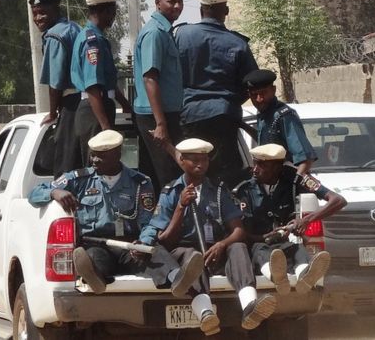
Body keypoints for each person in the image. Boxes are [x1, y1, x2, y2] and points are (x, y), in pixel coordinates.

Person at [29, 130, 203, 297]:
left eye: (101, 156)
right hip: (96, 243)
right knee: (93, 258)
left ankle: (177, 280)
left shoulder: (140, 182)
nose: (94, 160)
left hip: (130, 245)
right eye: (93, 155)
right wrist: (55, 193)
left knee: (155, 252)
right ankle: (94, 278)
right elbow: (34, 193)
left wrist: (144, 242)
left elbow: (150, 221)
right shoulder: (79, 179)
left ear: (117, 154)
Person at [140, 138, 276, 336]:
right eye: (194, 160)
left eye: (204, 160)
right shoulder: (170, 192)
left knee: (238, 247)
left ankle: (249, 307)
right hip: (185, 252)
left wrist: (222, 244)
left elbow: (238, 231)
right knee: (191, 255)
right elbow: (165, 240)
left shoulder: (219, 191)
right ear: (182, 161)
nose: (200, 164)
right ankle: (205, 313)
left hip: (214, 250)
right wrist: (180, 206)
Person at [233, 144, 347, 295]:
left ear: (277, 167)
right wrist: (265, 237)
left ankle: (305, 276)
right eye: (255, 163)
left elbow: (338, 200)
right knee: (261, 251)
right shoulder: (245, 189)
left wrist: (306, 220)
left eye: (262, 165)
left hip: (285, 241)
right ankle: (278, 278)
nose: (255, 169)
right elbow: (241, 232)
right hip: (258, 244)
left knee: (297, 248)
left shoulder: (295, 178)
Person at [174, 0, 259, 187]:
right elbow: (253, 82)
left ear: (201, 10)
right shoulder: (238, 43)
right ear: (226, 11)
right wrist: (229, 101)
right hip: (224, 116)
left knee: (192, 171)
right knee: (225, 176)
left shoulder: (182, 34)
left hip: (190, 115)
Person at [70, 0, 132, 166]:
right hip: (94, 110)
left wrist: (126, 105)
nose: (114, 17)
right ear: (104, 11)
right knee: (98, 166)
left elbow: (108, 82)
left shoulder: (95, 37)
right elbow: (93, 87)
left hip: (99, 106)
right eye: (113, 12)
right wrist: (105, 126)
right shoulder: (92, 42)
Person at [133, 0, 185, 191]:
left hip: (165, 115)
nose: (177, 6)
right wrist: (161, 124)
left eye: (180, 1)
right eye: (171, 1)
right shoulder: (154, 33)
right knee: (169, 178)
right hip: (157, 117)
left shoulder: (165, 31)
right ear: (158, 3)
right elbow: (150, 78)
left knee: (162, 177)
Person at [29, 0, 82, 177]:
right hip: (87, 100)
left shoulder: (54, 36)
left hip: (72, 103)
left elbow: (56, 82)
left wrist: (52, 113)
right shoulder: (74, 27)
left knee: (65, 167)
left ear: (55, 10)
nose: (38, 18)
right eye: (35, 13)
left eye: (43, 13)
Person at [244, 69, 317, 175]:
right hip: (270, 180)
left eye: (263, 93)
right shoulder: (263, 114)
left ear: (273, 90)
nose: (259, 99)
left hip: (285, 180)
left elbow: (305, 160)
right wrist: (242, 125)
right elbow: (267, 141)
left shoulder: (284, 116)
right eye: (254, 95)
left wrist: (293, 184)